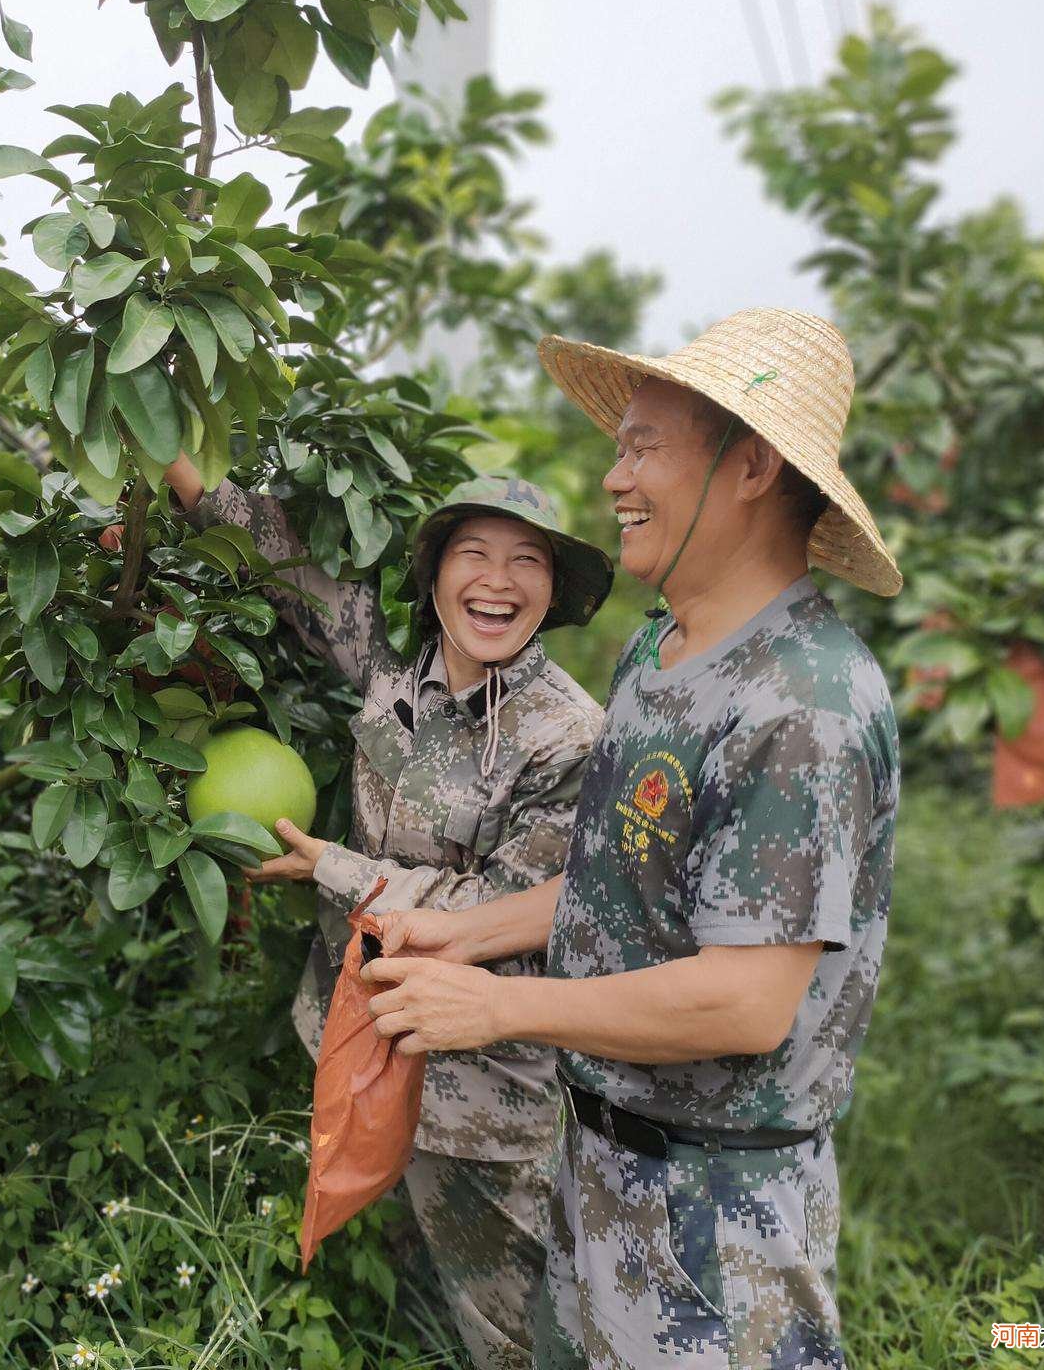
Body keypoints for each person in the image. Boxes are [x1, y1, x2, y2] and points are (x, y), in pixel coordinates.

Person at [364, 308, 903, 1369]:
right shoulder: (660, 653)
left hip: (718, 1215)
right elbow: (613, 887)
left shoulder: (803, 702)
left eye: (642, 445)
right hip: (597, 1163)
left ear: (747, 466)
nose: (614, 477)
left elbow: (744, 1001)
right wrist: (464, 937)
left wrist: (498, 1006)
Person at [163, 455, 615, 1369]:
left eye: (527, 561)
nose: (498, 580)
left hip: (478, 1086)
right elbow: (282, 563)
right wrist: (167, 448)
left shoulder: (568, 736)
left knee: (513, 1325)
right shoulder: (389, 670)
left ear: (553, 590)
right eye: (475, 554)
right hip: (359, 1025)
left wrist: (331, 866)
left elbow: (503, 909)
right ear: (436, 573)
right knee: (405, 1284)